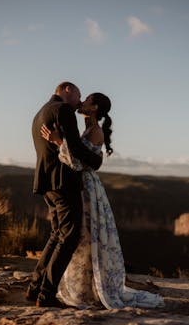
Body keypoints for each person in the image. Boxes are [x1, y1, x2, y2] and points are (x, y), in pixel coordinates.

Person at [41, 92, 164, 309]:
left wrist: (58, 141)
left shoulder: (95, 132)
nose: (81, 103)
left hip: (87, 189)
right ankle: (86, 286)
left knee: (88, 236)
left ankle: (93, 288)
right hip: (81, 186)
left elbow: (77, 163)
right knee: (84, 238)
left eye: (86, 100)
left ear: (94, 107)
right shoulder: (88, 130)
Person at [26, 82, 103, 307]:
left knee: (57, 234)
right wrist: (96, 161)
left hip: (47, 182)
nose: (80, 101)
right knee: (68, 237)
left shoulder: (41, 111)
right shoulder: (63, 110)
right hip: (64, 182)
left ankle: (34, 288)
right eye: (79, 95)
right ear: (67, 89)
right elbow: (76, 148)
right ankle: (46, 295)